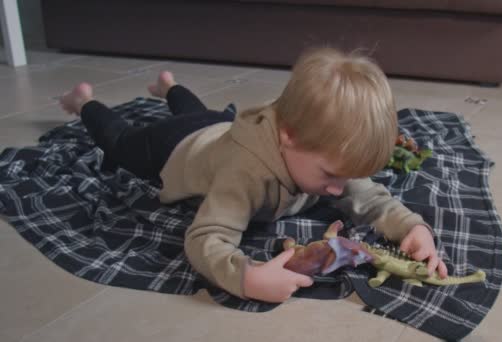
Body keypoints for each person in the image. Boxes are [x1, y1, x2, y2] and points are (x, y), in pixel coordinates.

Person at [60, 47, 448, 303]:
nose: (338, 190)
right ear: (288, 137)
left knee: (200, 112)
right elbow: (204, 238)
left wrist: (410, 227)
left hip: (218, 126)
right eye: (331, 176)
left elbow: (369, 197)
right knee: (122, 141)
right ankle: (84, 103)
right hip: (174, 148)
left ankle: (169, 87)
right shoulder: (244, 174)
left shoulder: (321, 153)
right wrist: (245, 278)